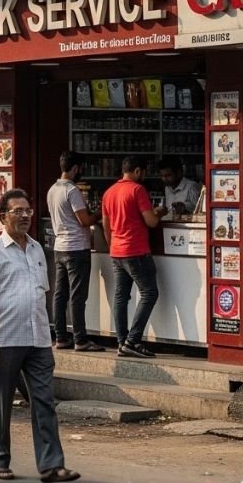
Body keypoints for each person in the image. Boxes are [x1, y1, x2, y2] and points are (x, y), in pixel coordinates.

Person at [0, 188, 80, 483]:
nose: (24, 216)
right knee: (1, 403)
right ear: (2, 217)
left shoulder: (36, 250)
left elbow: (42, 294)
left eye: (27, 211)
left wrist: (50, 334)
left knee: (44, 401)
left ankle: (51, 465)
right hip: (4, 340)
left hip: (38, 340)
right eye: (17, 211)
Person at [102, 156, 166, 358]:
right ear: (138, 171)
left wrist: (112, 244)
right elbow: (152, 222)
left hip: (117, 251)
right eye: (144, 172)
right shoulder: (137, 190)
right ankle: (133, 340)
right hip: (136, 250)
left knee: (121, 297)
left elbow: (106, 225)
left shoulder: (109, 192)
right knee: (149, 293)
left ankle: (122, 342)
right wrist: (159, 212)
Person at [46, 151, 104, 352]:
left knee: (60, 294)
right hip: (77, 248)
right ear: (76, 168)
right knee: (78, 296)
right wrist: (100, 212)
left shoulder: (52, 189)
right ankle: (80, 339)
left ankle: (61, 337)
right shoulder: (72, 191)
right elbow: (84, 221)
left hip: (59, 247)